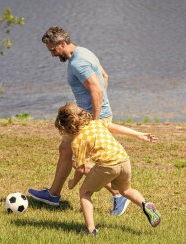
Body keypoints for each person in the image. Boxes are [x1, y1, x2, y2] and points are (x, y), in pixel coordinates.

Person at [28, 26, 156, 215]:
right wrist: (102, 106)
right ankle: (54, 194)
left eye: (53, 49)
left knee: (86, 160)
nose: (52, 54)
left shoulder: (77, 63)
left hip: (88, 118)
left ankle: (118, 195)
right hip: (94, 114)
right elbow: (104, 76)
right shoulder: (84, 52)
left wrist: (95, 121)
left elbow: (96, 89)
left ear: (62, 43)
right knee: (66, 150)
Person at [55, 102, 161, 236]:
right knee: (126, 190)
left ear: (67, 127)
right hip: (124, 160)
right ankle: (145, 205)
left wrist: (73, 183)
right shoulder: (96, 123)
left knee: (84, 192)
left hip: (107, 166)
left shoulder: (77, 141)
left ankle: (90, 230)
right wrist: (139, 135)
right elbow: (116, 127)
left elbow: (80, 169)